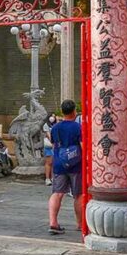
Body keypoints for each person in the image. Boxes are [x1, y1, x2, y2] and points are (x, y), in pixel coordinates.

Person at [48, 100, 82, 235]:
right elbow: (83, 145)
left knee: (57, 193)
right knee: (78, 195)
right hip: (76, 165)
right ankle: (80, 223)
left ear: (62, 112)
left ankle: (53, 222)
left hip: (59, 163)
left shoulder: (55, 127)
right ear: (74, 112)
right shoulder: (78, 127)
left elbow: (53, 144)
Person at [41, 113, 56, 186]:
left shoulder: (56, 125)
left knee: (54, 163)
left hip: (55, 146)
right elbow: (49, 135)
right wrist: (53, 142)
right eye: (51, 116)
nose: (52, 118)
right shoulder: (46, 125)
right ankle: (47, 178)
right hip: (49, 146)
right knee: (48, 162)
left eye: (54, 116)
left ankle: (53, 178)